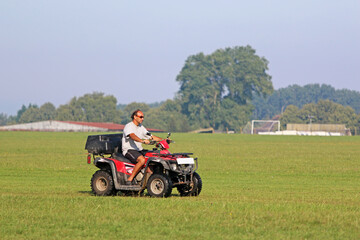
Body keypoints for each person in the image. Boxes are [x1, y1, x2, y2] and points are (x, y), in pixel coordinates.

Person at [122, 109, 163, 185]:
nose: (142, 119)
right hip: (129, 150)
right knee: (142, 160)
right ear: (135, 117)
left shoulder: (141, 127)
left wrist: (163, 140)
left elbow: (150, 136)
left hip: (139, 150)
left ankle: (151, 178)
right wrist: (142, 141)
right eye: (141, 117)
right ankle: (130, 179)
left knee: (155, 156)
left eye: (143, 117)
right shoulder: (129, 126)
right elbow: (132, 136)